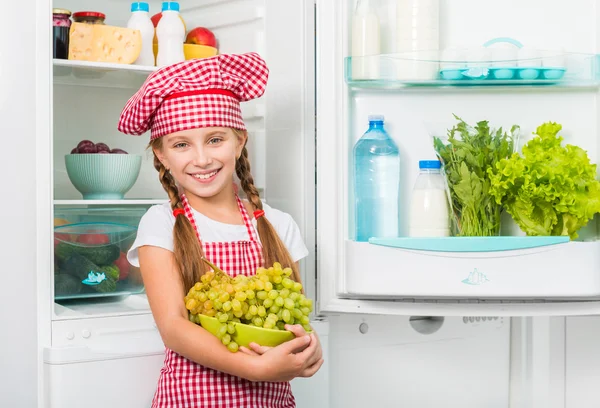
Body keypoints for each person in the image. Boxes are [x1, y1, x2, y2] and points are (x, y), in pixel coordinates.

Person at [118, 52, 323, 407]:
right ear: (162, 155)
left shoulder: (278, 225)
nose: (201, 159)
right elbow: (174, 328)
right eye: (181, 144)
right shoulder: (161, 222)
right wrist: (253, 369)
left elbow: (291, 317)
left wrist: (308, 345)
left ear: (240, 140)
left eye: (215, 139)